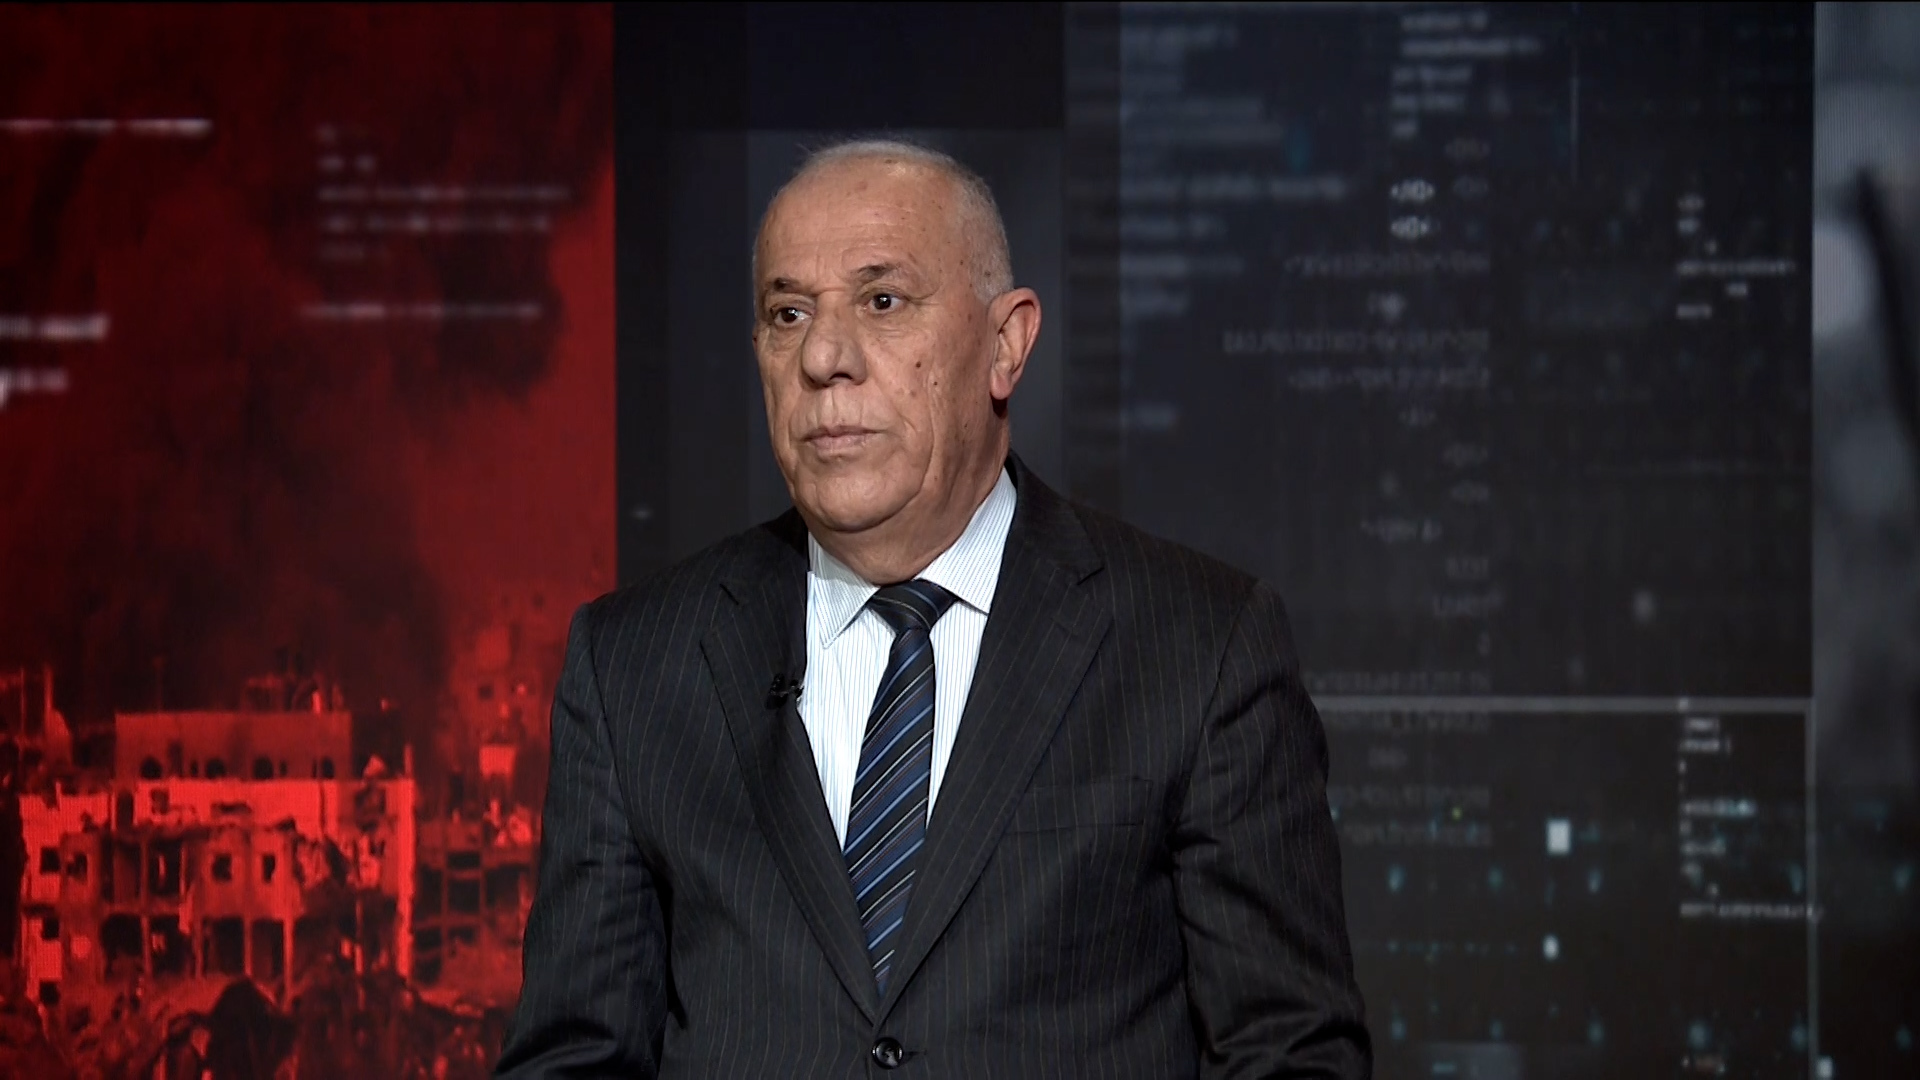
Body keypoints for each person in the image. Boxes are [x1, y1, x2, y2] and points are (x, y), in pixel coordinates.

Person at [496, 139, 1370, 1077]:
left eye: (882, 301)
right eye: (789, 314)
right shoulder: (633, 664)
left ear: (1006, 345)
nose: (824, 357)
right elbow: (572, 1061)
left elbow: (1290, 1056)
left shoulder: (1200, 645)